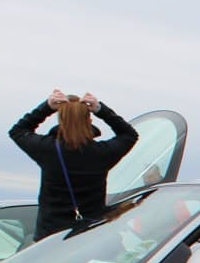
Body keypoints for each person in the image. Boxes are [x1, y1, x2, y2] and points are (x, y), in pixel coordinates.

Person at [9, 89, 138, 238]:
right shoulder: (102, 152)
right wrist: (100, 109)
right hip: (90, 235)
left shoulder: (48, 149)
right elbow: (129, 135)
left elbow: (17, 131)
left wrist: (47, 107)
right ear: (89, 121)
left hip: (50, 238)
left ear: (61, 121)